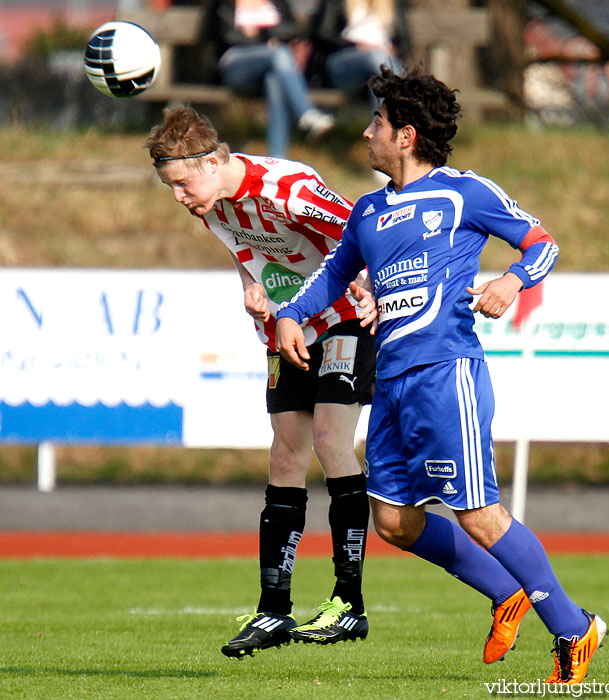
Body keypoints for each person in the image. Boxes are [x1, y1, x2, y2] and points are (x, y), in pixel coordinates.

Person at [275, 66, 607, 684]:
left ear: (405, 135)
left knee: (479, 515)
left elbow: (543, 244)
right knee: (395, 522)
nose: (367, 133)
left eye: (376, 123)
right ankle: (506, 593)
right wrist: (292, 314)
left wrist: (512, 279)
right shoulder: (368, 209)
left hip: (445, 371)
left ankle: (574, 627)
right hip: (393, 381)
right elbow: (334, 274)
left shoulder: (463, 193)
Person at [145, 104, 377, 658]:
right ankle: (274, 610)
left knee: (329, 441)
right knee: (284, 457)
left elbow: (360, 230)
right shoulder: (211, 203)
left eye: (180, 184)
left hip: (345, 312)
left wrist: (374, 282)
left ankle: (349, 604)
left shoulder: (288, 187)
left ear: (207, 163)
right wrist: (249, 283)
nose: (178, 197)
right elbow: (244, 249)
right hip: (285, 323)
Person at [199, 0, 335, 158]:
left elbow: (293, 30)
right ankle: (306, 112)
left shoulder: (277, 3)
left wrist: (259, 32)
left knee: (275, 80)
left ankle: (277, 158)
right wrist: (265, 39)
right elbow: (222, 34)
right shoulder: (224, 4)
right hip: (235, 62)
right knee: (279, 53)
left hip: (272, 65)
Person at [306, 0, 410, 109]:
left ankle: (383, 123)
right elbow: (323, 33)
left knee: (381, 72)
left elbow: (404, 42)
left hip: (381, 62)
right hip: (343, 60)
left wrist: (394, 49)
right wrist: (356, 45)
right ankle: (396, 120)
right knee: (378, 60)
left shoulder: (392, 3)